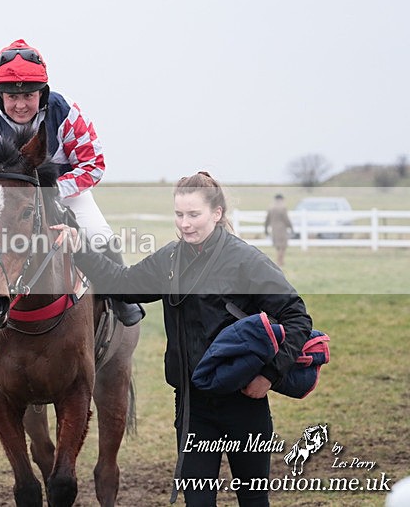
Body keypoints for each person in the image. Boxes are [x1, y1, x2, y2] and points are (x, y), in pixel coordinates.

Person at [53, 172, 312, 506]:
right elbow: (124, 283)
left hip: (245, 404)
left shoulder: (245, 260)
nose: (185, 224)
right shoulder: (170, 260)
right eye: (179, 215)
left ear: (216, 213)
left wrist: (269, 374)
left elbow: (297, 316)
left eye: (194, 215)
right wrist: (80, 249)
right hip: (193, 408)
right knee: (198, 503)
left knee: (253, 500)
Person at [0, 38, 143, 327]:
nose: (20, 105)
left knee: (98, 233)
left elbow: (94, 164)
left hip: (65, 190)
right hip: (15, 198)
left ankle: (121, 297)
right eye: (12, 97)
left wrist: (54, 192)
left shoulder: (67, 114)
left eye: (29, 96)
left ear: (42, 94)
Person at [264, 193, 293, 266]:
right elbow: (286, 219)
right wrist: (290, 226)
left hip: (274, 229)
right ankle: (280, 261)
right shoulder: (283, 207)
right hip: (282, 229)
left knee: (277, 246)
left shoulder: (271, 207)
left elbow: (267, 219)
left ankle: (279, 261)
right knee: (283, 246)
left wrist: (266, 229)